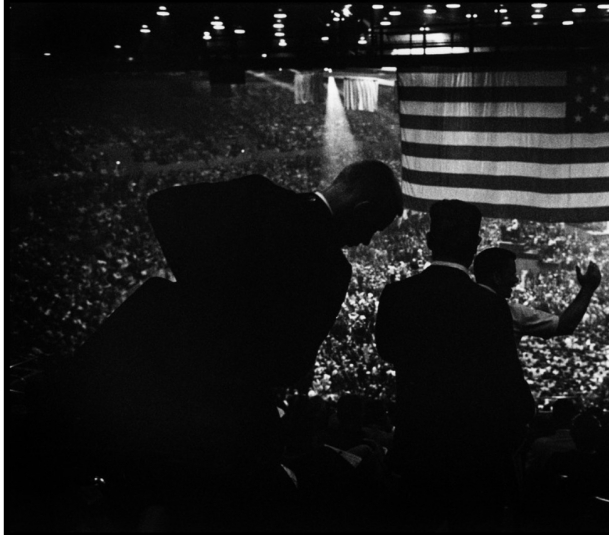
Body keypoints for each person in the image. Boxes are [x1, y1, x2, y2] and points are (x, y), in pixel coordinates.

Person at [40, 160, 403, 528]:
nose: (366, 241)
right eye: (372, 228)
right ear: (362, 209)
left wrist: (206, 289)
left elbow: (163, 205)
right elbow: (289, 367)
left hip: (150, 370)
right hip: (223, 407)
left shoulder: (257, 195)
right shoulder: (331, 269)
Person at [375, 200, 535, 531]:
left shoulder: (396, 296)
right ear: (475, 246)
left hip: (417, 454)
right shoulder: (490, 306)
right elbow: (510, 387)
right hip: (476, 461)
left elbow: (388, 351)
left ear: (430, 241)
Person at [472, 247, 602, 341]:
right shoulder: (511, 313)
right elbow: (564, 325)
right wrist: (588, 288)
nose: (516, 280)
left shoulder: (457, 302)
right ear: (497, 278)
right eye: (511, 274)